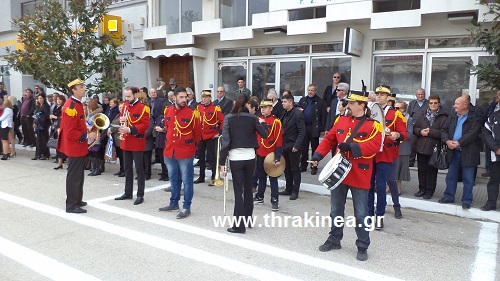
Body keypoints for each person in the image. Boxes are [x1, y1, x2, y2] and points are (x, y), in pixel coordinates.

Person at [310, 90, 383, 262]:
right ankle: (335, 239)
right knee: (336, 210)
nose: (347, 105)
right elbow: (329, 139)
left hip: (359, 173)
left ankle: (363, 245)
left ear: (362, 105)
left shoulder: (374, 125)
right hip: (339, 172)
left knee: (361, 213)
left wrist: (353, 148)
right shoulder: (341, 120)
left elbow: (375, 146)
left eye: (351, 103)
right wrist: (317, 156)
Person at [219, 93, 268, 233]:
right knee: (248, 189)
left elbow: (225, 142)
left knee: (238, 191)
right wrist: (264, 124)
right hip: (250, 157)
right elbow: (264, 135)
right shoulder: (253, 118)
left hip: (236, 158)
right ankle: (248, 219)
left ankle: (238, 225)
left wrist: (222, 162)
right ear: (247, 104)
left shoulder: (228, 118)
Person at [159, 86, 202, 219]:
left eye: (186, 97)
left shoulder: (193, 113)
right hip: (170, 151)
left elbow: (197, 134)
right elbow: (168, 128)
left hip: (185, 151)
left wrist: (190, 147)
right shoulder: (168, 111)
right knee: (173, 179)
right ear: (174, 98)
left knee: (187, 181)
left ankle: (186, 207)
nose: (184, 99)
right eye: (181, 97)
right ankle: (173, 203)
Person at [368, 85, 407, 229]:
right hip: (370, 153)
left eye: (383, 94)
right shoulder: (369, 111)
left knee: (381, 186)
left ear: (388, 97)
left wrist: (397, 135)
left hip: (385, 153)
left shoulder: (396, 114)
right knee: (369, 185)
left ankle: (379, 217)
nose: (379, 96)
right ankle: (369, 215)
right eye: (378, 94)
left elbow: (404, 134)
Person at [58, 78, 95, 214]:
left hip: (78, 146)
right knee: (74, 176)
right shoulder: (71, 106)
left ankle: (77, 200)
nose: (84, 89)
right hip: (74, 146)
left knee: (79, 175)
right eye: (81, 87)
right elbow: (70, 132)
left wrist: (86, 127)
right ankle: (71, 205)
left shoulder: (77, 104)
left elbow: (77, 123)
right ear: (74, 90)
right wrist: (87, 136)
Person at [439, 95, 482, 209]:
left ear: (465, 105)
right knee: (451, 176)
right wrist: (447, 141)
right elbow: (444, 129)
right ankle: (448, 196)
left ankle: (466, 200)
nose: (454, 106)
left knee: (468, 178)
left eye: (457, 104)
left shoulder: (474, 116)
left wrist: (458, 142)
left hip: (468, 152)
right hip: (453, 152)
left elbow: (473, 132)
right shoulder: (453, 115)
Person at [115, 86, 151, 206]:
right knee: (127, 168)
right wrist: (121, 119)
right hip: (126, 140)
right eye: (125, 96)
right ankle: (128, 192)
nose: (127, 98)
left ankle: (140, 194)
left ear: (135, 95)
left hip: (136, 141)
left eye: (129, 96)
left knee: (139, 170)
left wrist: (130, 129)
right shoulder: (125, 105)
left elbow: (145, 125)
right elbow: (120, 117)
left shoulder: (143, 108)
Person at [413, 94, 448, 199]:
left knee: (431, 171)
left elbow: (445, 133)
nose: (433, 105)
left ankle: (429, 191)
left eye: (435, 103)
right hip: (421, 146)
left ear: (439, 104)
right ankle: (421, 189)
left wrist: (430, 132)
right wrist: (420, 131)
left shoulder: (444, 117)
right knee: (421, 170)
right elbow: (415, 128)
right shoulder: (422, 114)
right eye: (431, 103)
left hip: (434, 147)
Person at [253, 99, 283, 211]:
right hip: (260, 152)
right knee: (261, 176)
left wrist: (278, 157)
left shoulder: (276, 122)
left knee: (273, 177)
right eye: (262, 107)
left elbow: (279, 141)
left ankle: (275, 199)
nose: (263, 109)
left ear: (271, 108)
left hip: (271, 154)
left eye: (265, 107)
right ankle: (260, 196)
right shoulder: (257, 120)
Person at [278, 94, 306, 200]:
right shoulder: (284, 114)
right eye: (282, 102)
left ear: (291, 102)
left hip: (294, 145)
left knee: (295, 169)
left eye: (285, 102)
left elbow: (302, 131)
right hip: (284, 145)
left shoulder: (297, 114)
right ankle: (288, 188)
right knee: (286, 169)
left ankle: (295, 191)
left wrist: (297, 145)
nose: (283, 103)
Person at [194, 90, 224, 185]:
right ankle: (201, 176)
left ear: (210, 98)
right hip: (201, 136)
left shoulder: (216, 108)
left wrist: (219, 132)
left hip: (211, 135)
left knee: (212, 157)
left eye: (206, 97)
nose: (204, 99)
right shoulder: (198, 107)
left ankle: (214, 177)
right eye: (203, 97)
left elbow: (222, 121)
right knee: (201, 157)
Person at [298, 84, 327, 175]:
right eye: (309, 90)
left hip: (315, 127)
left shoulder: (320, 102)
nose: (310, 92)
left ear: (315, 91)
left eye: (312, 90)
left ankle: (314, 166)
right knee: (304, 148)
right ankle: (303, 166)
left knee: (315, 149)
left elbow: (323, 116)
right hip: (304, 127)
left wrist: (323, 129)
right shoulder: (303, 100)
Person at [393, 100, 415, 195]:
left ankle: (398, 187)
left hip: (403, 147)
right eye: (394, 108)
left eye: (398, 108)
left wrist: (398, 135)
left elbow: (409, 134)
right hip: (392, 146)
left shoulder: (409, 119)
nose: (395, 110)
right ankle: (389, 186)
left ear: (403, 109)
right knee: (392, 168)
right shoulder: (392, 117)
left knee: (400, 168)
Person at [482, 99, 500, 211]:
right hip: (496, 156)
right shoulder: (493, 117)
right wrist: (496, 148)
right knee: (494, 181)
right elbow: (487, 133)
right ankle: (491, 203)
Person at [407, 88, 429, 167]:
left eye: (422, 94)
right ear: (416, 95)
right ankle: (410, 163)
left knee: (422, 146)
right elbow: (409, 115)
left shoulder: (428, 103)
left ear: (424, 94)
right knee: (412, 145)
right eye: (418, 94)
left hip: (424, 128)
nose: (420, 96)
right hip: (413, 128)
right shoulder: (412, 103)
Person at [482, 90, 500, 177]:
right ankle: (488, 169)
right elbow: (487, 113)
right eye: (497, 95)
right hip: (491, 130)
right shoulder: (493, 105)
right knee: (489, 151)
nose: (498, 96)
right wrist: (494, 102)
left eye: (499, 95)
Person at [85, 100, 104, 176]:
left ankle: (97, 169)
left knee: (95, 153)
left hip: (95, 135)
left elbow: (97, 125)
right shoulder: (90, 114)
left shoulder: (97, 115)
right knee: (91, 153)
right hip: (89, 135)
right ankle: (94, 168)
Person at [149, 88, 167, 164]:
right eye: (152, 93)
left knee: (158, 140)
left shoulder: (161, 100)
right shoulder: (148, 102)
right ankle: (156, 157)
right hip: (151, 122)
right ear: (149, 94)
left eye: (154, 92)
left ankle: (160, 158)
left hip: (159, 121)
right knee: (154, 141)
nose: (153, 93)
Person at [108, 99, 125, 177]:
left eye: (122, 107)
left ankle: (124, 170)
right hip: (116, 139)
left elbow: (117, 126)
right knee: (120, 156)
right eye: (119, 107)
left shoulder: (124, 116)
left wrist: (111, 129)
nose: (120, 109)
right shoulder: (118, 115)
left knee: (123, 156)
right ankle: (121, 169)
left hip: (121, 138)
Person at [32, 93, 51, 160]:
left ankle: (45, 154)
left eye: (41, 98)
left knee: (44, 140)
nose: (40, 100)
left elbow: (46, 116)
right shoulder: (39, 106)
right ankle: (38, 154)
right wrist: (35, 122)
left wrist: (38, 117)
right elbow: (36, 114)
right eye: (39, 98)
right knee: (38, 140)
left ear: (44, 99)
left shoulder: (46, 106)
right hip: (38, 125)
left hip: (44, 125)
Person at [154, 101, 170, 181]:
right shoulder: (160, 117)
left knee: (166, 160)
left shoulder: (170, 117)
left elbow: (170, 128)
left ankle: (167, 174)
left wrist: (162, 129)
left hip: (165, 141)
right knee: (161, 159)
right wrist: (156, 127)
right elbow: (156, 124)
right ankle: (163, 173)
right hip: (159, 140)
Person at [51, 95, 67, 169]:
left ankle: (65, 161)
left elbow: (63, 118)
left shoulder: (63, 107)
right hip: (56, 126)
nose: (58, 101)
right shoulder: (55, 107)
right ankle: (59, 162)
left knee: (65, 146)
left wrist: (56, 117)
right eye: (57, 99)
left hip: (63, 127)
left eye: (60, 100)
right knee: (58, 146)